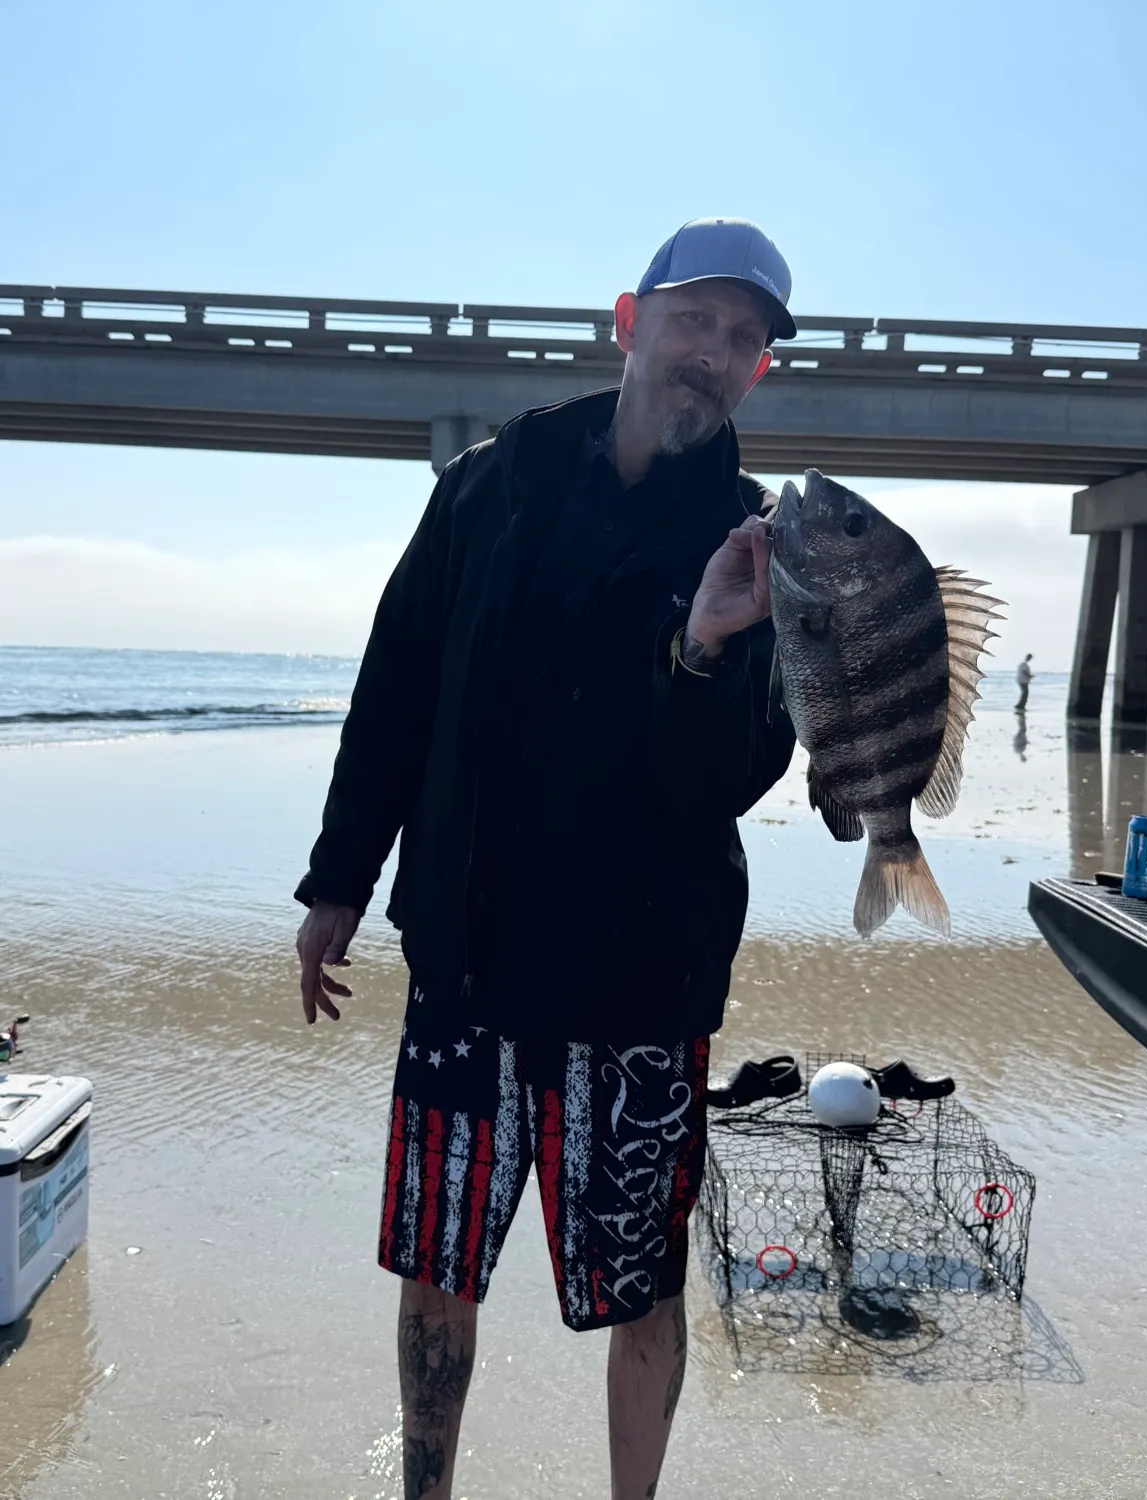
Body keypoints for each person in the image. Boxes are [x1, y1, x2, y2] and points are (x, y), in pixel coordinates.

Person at [292, 218, 798, 1500]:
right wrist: (340, 879)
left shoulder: (757, 547)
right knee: (438, 1269)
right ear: (629, 322)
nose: (714, 354)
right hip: (471, 957)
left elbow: (730, 777)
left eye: (743, 339)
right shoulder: (488, 482)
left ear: (761, 375)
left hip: (642, 981)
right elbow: (397, 683)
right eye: (695, 321)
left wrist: (703, 653)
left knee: (645, 1290)